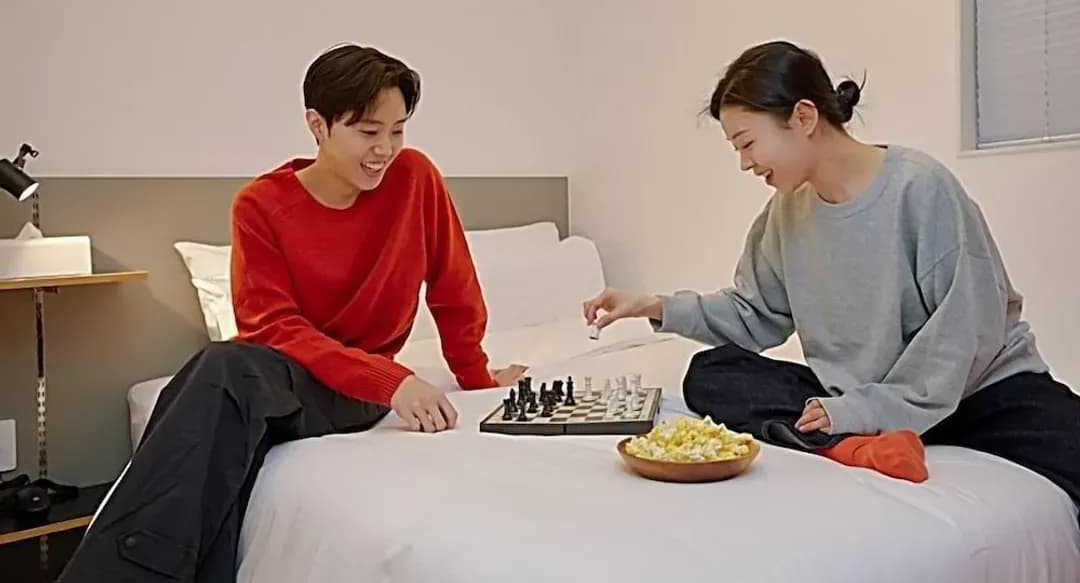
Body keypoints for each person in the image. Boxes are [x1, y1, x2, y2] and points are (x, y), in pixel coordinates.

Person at [59, 44, 528, 581]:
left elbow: (453, 287)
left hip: (354, 392)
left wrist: (476, 377)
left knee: (218, 378)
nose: (385, 149)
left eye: (397, 131)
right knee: (217, 387)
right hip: (288, 378)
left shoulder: (415, 179)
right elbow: (271, 328)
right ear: (317, 125)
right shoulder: (260, 205)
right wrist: (394, 381)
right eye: (368, 132)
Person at [584, 40, 1080, 521]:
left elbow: (966, 331)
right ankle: (855, 444)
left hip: (978, 393)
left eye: (748, 143)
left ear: (803, 117)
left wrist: (868, 409)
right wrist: (654, 306)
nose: (745, 163)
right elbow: (754, 313)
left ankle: (850, 432)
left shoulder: (919, 187)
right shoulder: (785, 213)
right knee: (712, 374)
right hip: (859, 397)